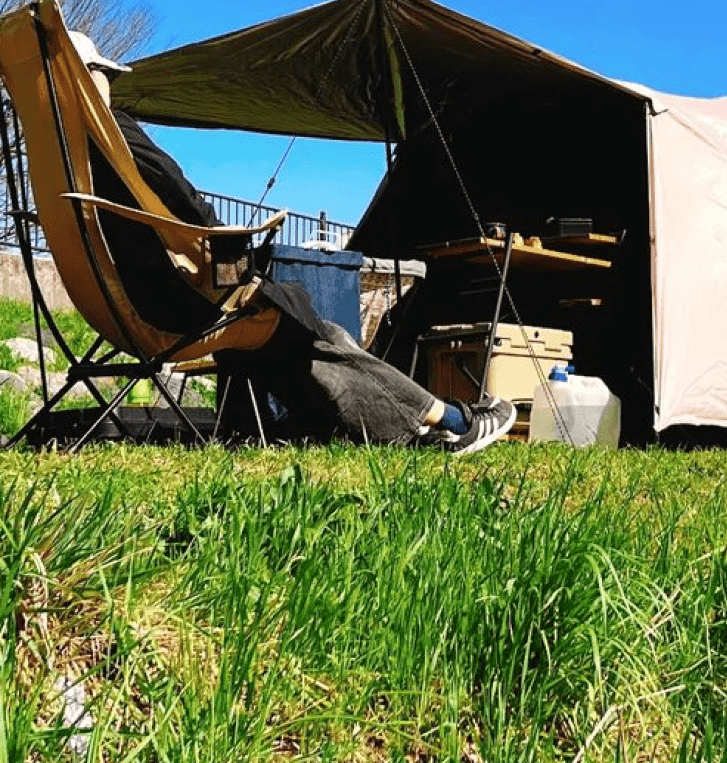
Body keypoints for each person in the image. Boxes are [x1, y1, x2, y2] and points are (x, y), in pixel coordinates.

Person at [69, 30, 516, 453]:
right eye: (103, 75)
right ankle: (451, 422)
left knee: (285, 330)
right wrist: (234, 241)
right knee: (309, 329)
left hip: (118, 301)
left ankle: (380, 426)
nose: (108, 85)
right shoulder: (111, 134)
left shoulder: (68, 154)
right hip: (169, 307)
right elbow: (179, 194)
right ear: (86, 77)